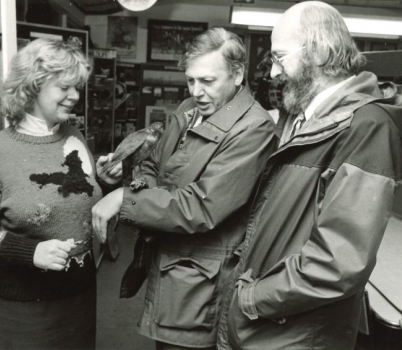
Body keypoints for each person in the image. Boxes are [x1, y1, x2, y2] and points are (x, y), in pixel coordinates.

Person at [216, 2, 402, 349]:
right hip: (266, 326)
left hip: (297, 334)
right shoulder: (302, 117)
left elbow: (339, 263)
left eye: (279, 57)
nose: (273, 73)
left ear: (318, 51)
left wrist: (251, 298)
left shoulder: (366, 128)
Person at [92, 27, 276, 349]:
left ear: (237, 75)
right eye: (191, 80)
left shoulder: (254, 127)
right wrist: (128, 181)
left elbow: (201, 206)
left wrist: (125, 199)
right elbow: (152, 166)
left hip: (201, 284)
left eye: (208, 81)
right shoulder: (188, 110)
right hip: (170, 268)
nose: (197, 91)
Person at [0, 39, 100, 350]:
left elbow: (78, 202)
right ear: (33, 86)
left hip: (81, 299)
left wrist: (108, 185)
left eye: (77, 87)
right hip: (26, 312)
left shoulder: (74, 136)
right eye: (65, 87)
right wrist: (28, 252)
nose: (75, 96)